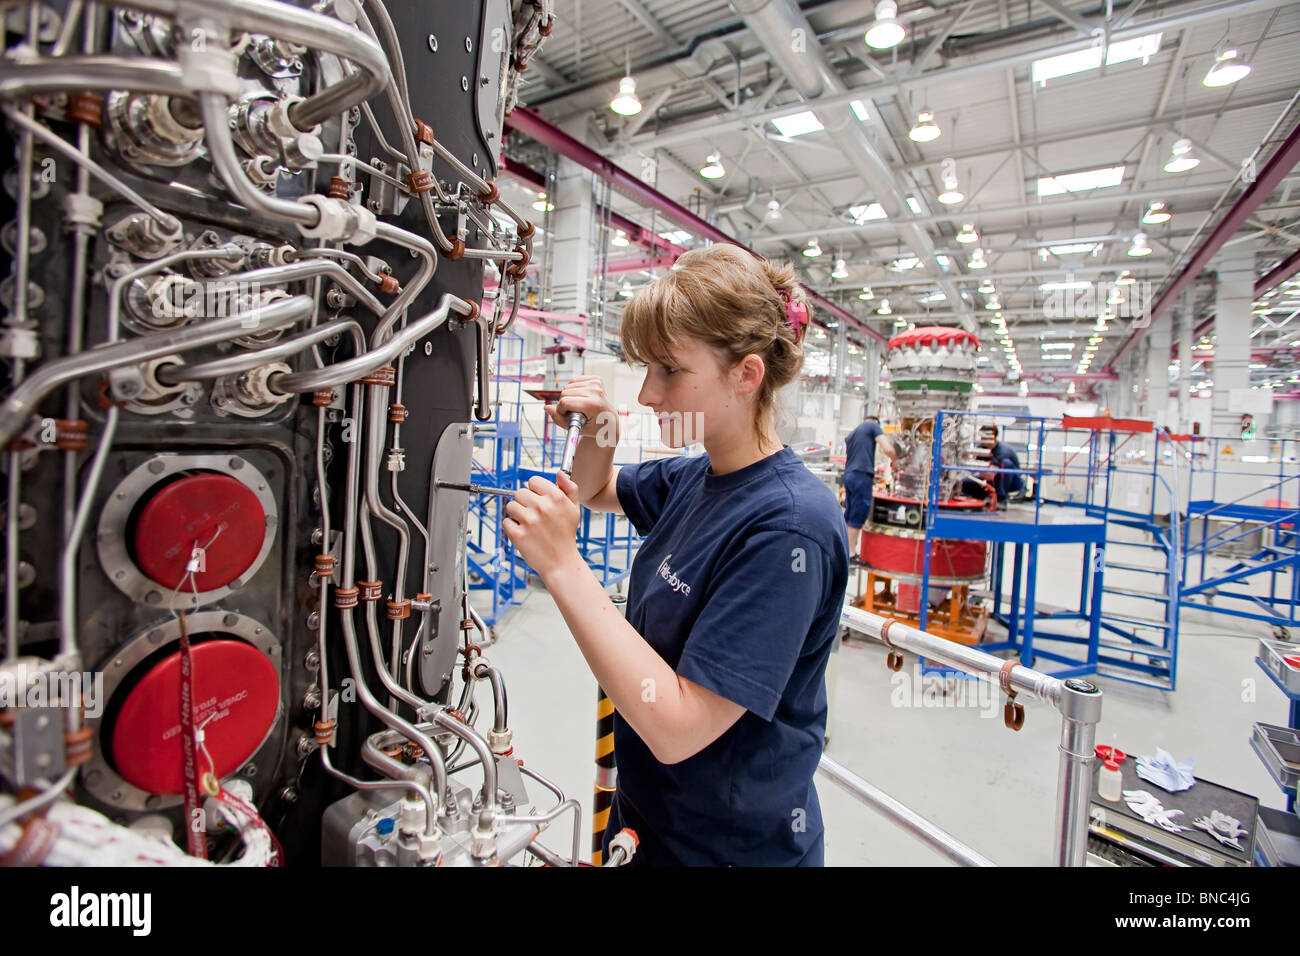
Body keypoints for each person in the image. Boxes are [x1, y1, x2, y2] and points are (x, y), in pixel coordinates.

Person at [500, 243, 848, 866]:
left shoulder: (787, 529)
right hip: (649, 824)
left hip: (728, 850)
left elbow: (679, 727)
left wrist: (562, 566)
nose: (648, 395)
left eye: (669, 371)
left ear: (745, 375)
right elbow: (593, 490)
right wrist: (600, 428)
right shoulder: (697, 478)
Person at [842, 414, 897, 561]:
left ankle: (846, 551)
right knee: (859, 512)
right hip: (861, 476)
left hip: (849, 475)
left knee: (850, 512)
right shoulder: (873, 426)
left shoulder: (853, 433)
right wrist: (896, 461)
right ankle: (852, 554)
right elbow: (887, 449)